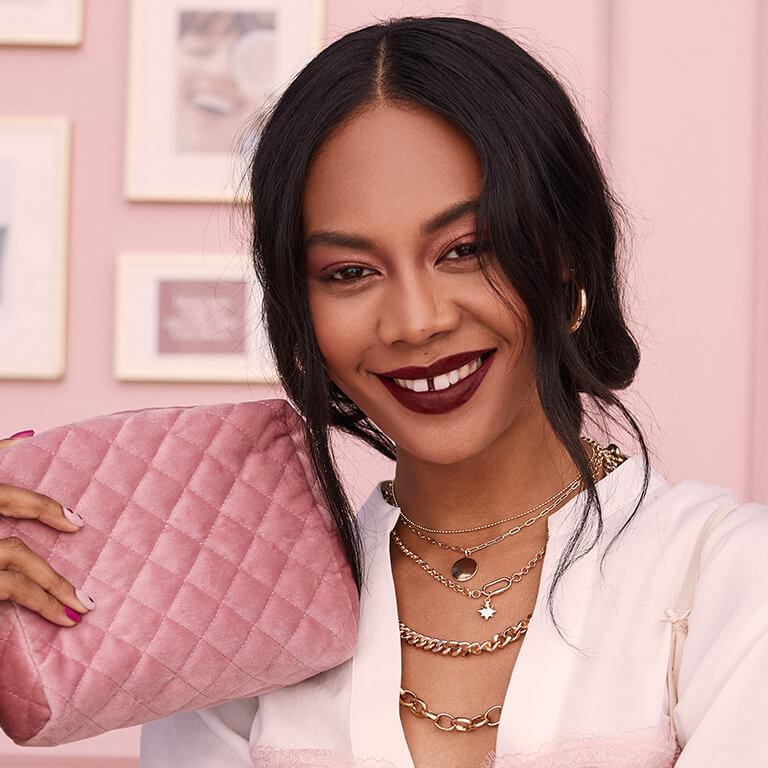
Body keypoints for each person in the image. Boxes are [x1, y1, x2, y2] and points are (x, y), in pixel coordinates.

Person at [1, 16, 766, 768]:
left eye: (465, 250)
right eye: (349, 273)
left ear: (565, 259)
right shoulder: (241, 626)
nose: (414, 321)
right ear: (300, 310)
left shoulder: (731, 581)